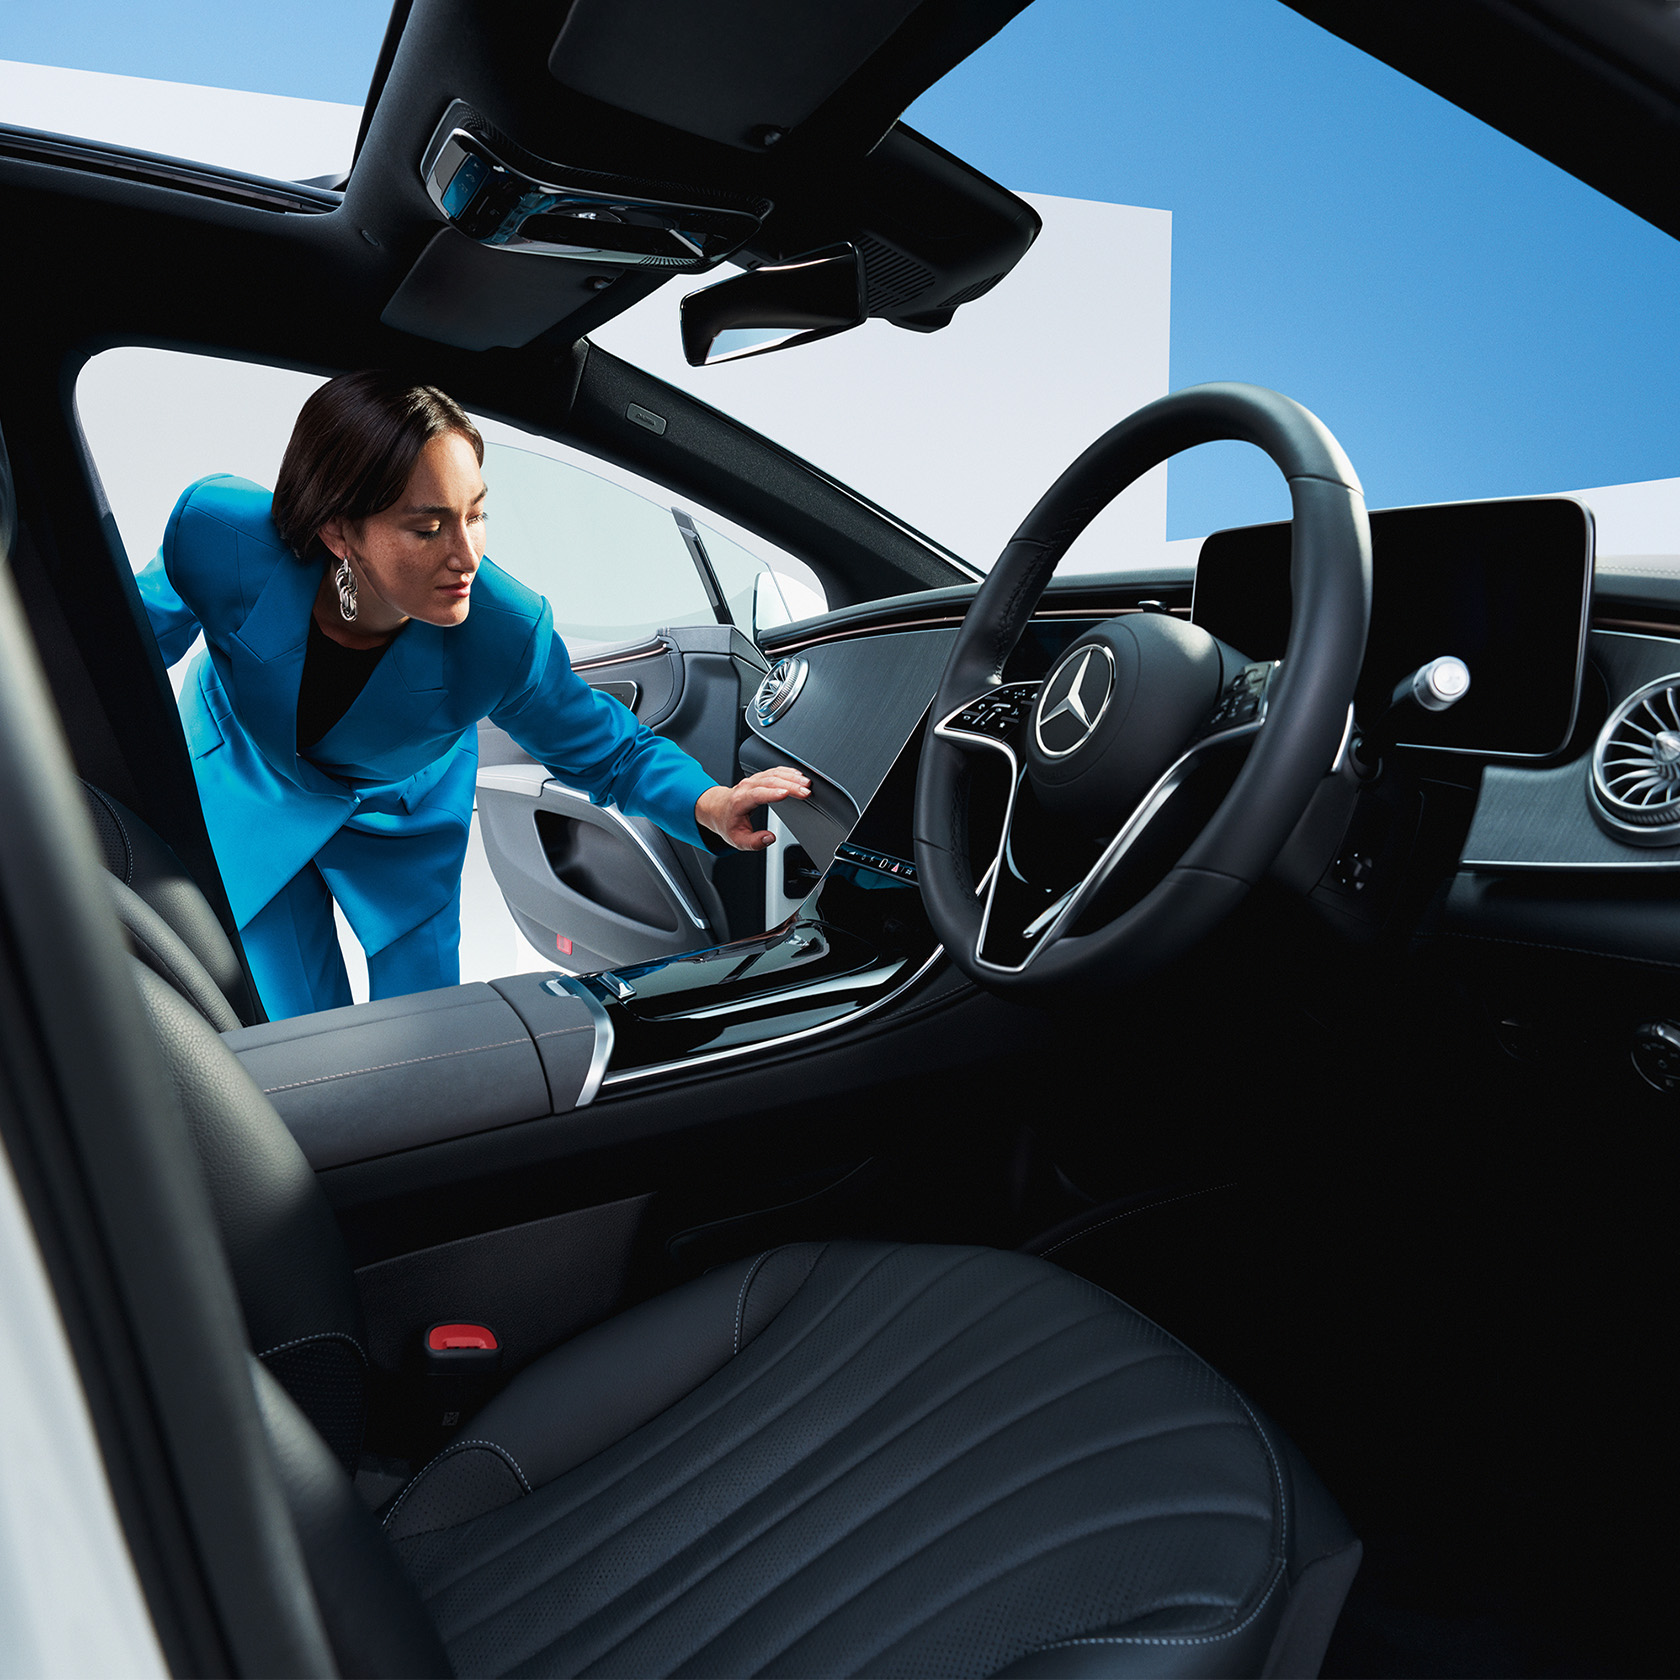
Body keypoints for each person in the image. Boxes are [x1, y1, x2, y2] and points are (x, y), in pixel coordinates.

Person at [136, 370, 809, 1020]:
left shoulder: (505, 629)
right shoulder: (219, 535)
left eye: (476, 514)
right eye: (428, 528)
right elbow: (120, 649)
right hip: (251, 783)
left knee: (422, 1037)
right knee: (294, 1031)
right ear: (339, 530)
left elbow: (608, 749)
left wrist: (709, 803)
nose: (466, 556)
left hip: (405, 808)